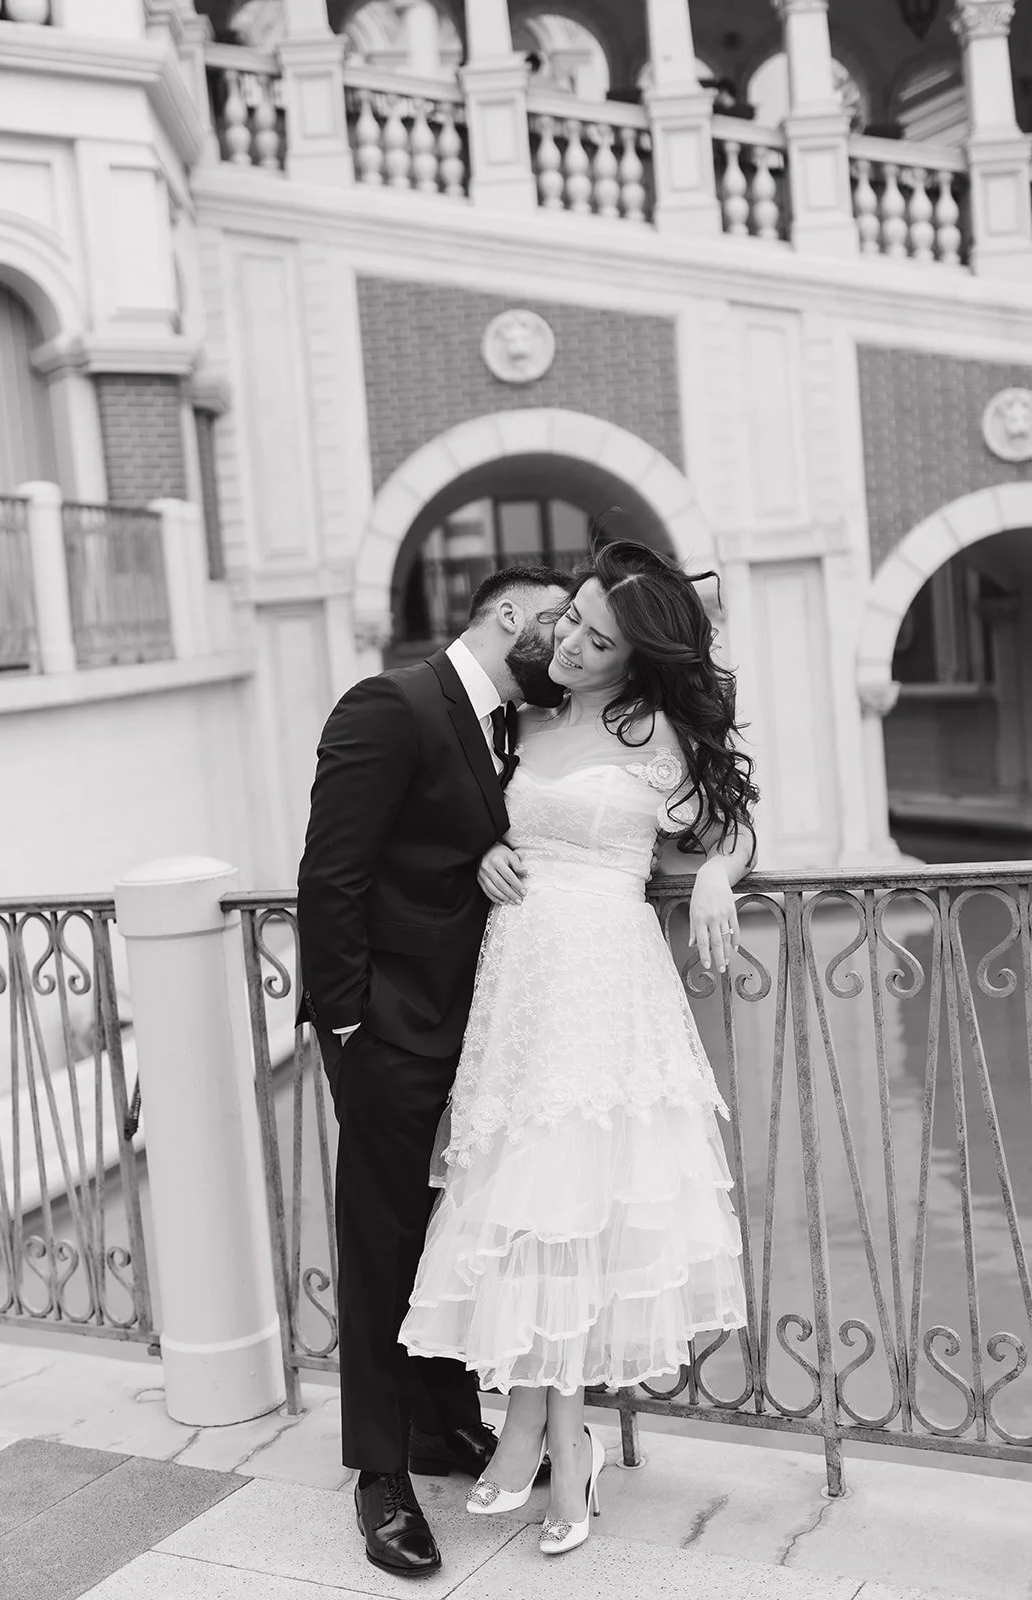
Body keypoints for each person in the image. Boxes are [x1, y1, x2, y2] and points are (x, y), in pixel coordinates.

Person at [399, 513, 759, 1557]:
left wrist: (722, 882)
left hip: (604, 977)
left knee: (574, 1202)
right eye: (574, 624)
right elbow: (484, 824)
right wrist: (480, 861)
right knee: (527, 1204)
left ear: (639, 655)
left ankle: (545, 1429)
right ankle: (557, 1432)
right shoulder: (527, 723)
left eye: (598, 640)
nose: (572, 645)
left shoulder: (660, 737)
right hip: (519, 979)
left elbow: (728, 823)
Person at [296, 564, 574, 1579]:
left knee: (454, 1235)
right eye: (559, 618)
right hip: (392, 1031)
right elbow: (330, 874)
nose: (570, 636)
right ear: (509, 615)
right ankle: (379, 1475)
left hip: (475, 1033)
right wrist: (349, 1028)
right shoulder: (393, 702)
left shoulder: (507, 722)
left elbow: (439, 844)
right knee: (381, 1247)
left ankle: (444, 1423)